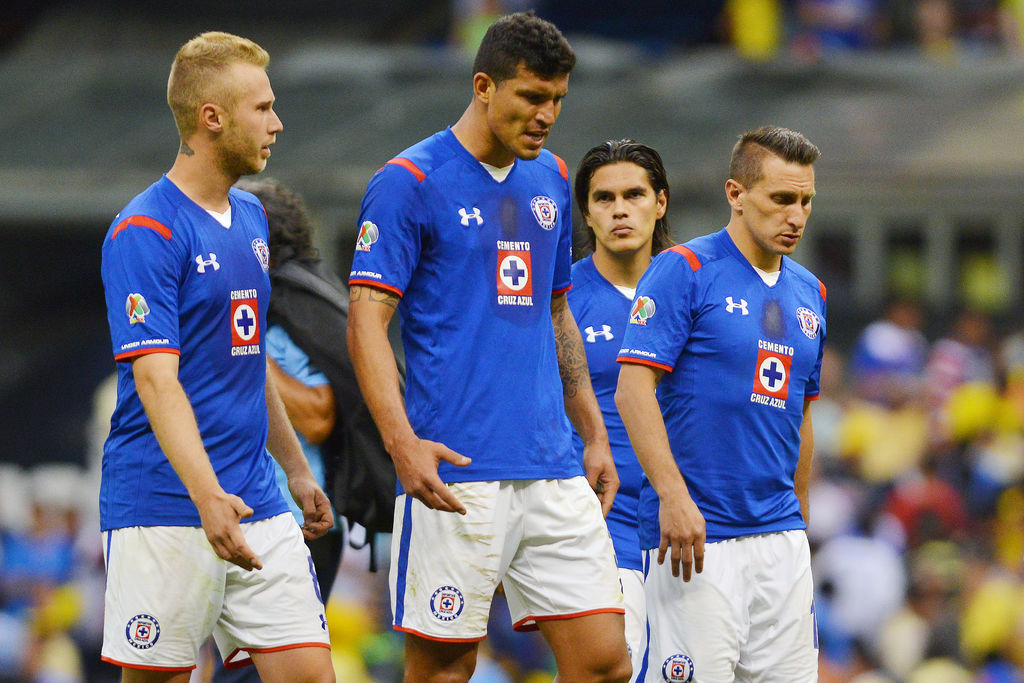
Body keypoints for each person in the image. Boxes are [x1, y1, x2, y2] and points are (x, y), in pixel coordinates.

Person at [346, 11, 630, 683]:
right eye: (532, 96)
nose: (546, 115)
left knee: (605, 663)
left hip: (552, 463)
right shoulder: (409, 181)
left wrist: (592, 432)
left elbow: (557, 311)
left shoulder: (551, 176)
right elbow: (365, 320)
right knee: (446, 670)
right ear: (483, 86)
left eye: (557, 99)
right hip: (457, 469)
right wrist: (401, 443)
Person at [99, 32, 335, 683]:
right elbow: (156, 381)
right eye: (262, 107)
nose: (276, 123)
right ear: (212, 117)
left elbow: (248, 358)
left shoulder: (252, 217)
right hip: (166, 505)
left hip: (257, 499)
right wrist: (207, 497)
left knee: (311, 677)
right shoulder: (145, 231)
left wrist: (295, 471)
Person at [615, 125, 825, 682]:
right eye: (781, 199)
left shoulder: (811, 292)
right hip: (696, 538)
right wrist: (672, 496)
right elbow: (632, 390)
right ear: (736, 194)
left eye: (805, 201)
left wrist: (800, 519)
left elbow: (801, 411)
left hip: (780, 541)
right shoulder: (684, 270)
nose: (796, 216)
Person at [568, 139, 674, 682]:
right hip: (600, 520)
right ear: (586, 213)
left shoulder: (695, 290)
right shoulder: (561, 301)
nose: (620, 209)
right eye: (604, 198)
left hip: (684, 519)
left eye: (634, 194)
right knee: (611, 667)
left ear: (660, 202)